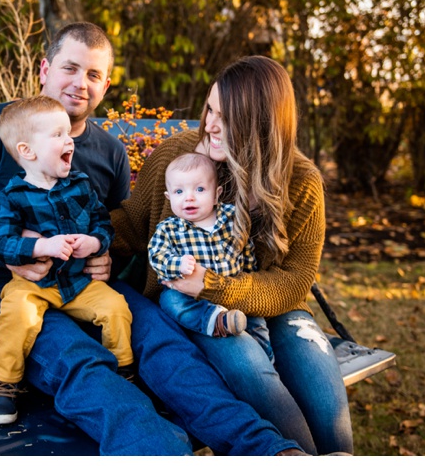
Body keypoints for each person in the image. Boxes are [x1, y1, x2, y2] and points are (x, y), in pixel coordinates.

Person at [0, 22, 304, 455]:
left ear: (106, 84)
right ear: (45, 68)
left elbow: (118, 230)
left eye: (93, 75)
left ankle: (267, 449)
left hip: (87, 286)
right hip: (1, 291)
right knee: (79, 360)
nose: (79, 84)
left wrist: (105, 254)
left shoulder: (109, 151)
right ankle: (160, 451)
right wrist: (7, 250)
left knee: (164, 344)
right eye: (70, 68)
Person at [110, 55, 353, 455]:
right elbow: (130, 226)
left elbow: (295, 281)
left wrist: (216, 284)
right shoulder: (179, 157)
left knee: (330, 416)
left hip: (277, 309)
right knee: (249, 367)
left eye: (226, 116)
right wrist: (75, 239)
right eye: (210, 110)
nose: (209, 124)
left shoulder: (301, 180)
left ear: (262, 122)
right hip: (200, 310)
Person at [0, 95, 133, 425]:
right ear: (28, 152)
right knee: (15, 314)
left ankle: (125, 370)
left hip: (79, 283)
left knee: (116, 308)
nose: (69, 141)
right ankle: (4, 383)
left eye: (68, 134)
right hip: (34, 285)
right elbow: (0, 242)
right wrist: (41, 247)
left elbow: (102, 222)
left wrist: (94, 241)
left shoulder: (80, 185)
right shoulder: (13, 196)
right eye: (57, 135)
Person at [148, 152, 252, 338]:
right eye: (179, 192)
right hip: (191, 298)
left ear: (216, 194)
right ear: (169, 197)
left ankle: (266, 352)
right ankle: (214, 322)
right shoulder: (169, 229)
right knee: (170, 301)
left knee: (256, 322)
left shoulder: (232, 218)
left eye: (200, 189)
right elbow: (156, 255)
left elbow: (246, 247)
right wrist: (177, 264)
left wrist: (250, 274)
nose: (189, 198)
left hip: (233, 291)